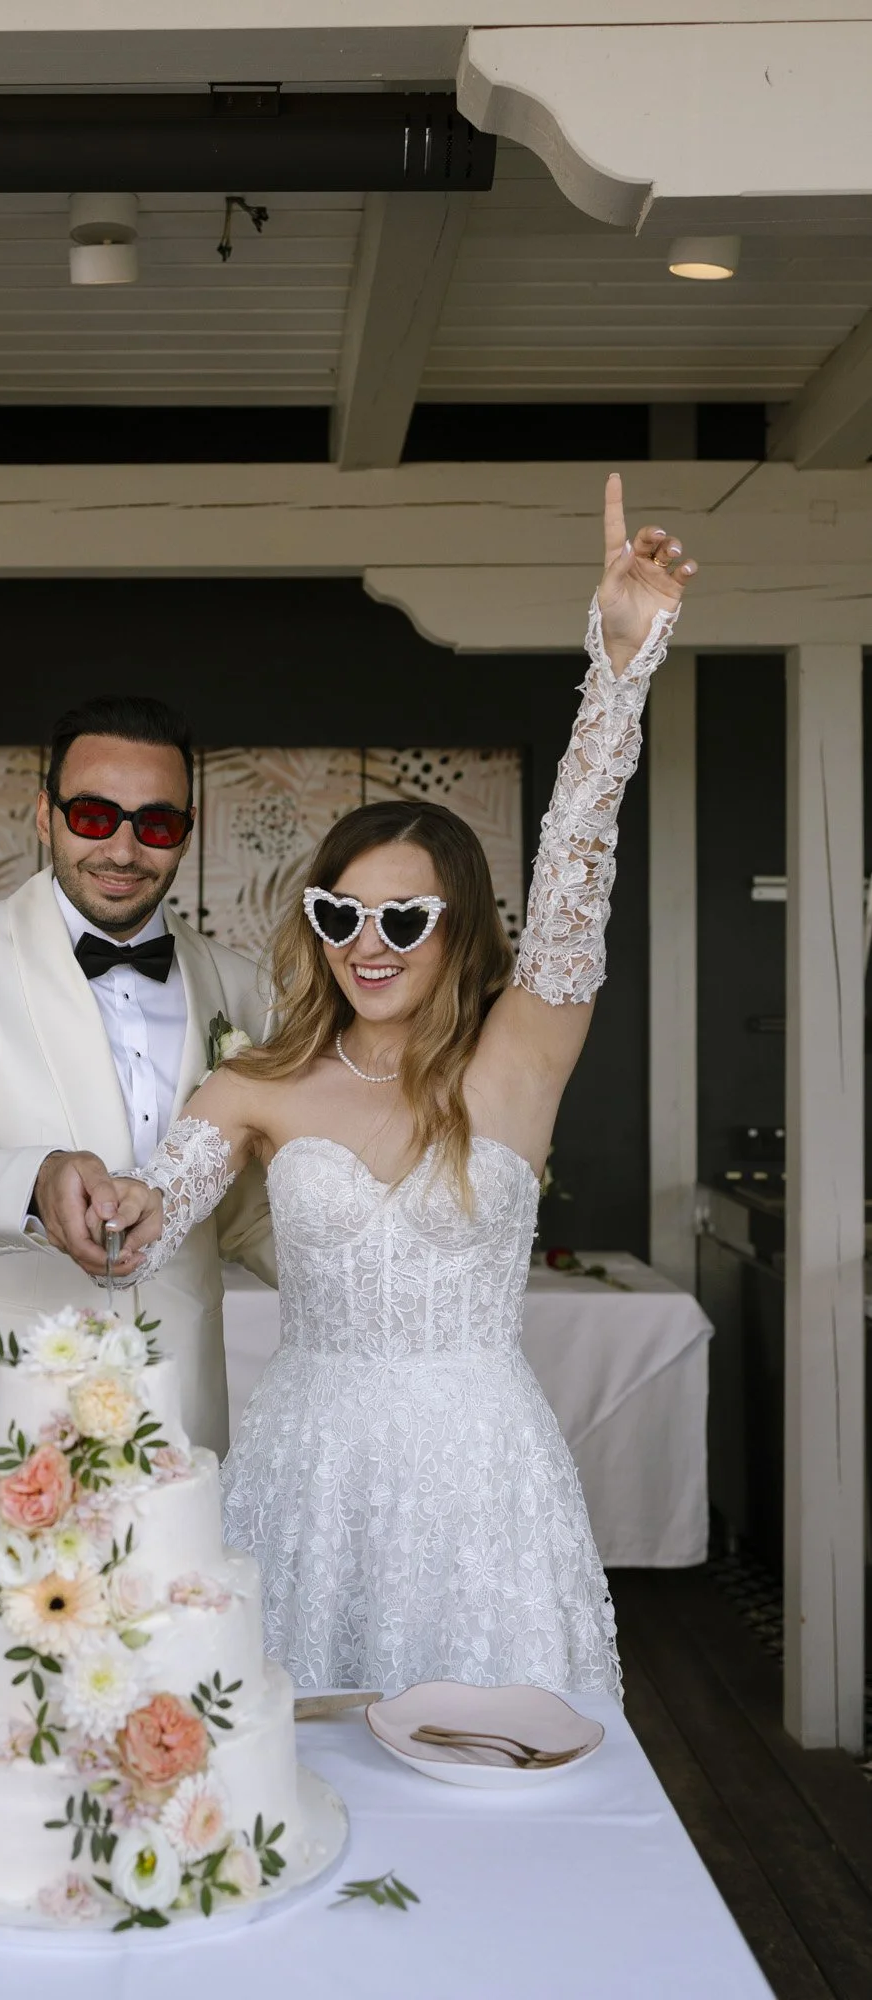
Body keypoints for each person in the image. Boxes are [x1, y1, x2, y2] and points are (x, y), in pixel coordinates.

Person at [78, 475, 696, 1695]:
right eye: (342, 912)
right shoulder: (255, 1084)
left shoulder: (518, 1062)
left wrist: (618, 666)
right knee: (296, 1766)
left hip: (478, 1472)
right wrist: (103, 1212)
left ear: (459, 925)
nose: (371, 941)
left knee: (490, 1758)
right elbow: (141, 1231)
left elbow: (577, 856)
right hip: (306, 1466)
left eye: (406, 915)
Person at [0, 695, 274, 1523]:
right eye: (93, 814)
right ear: (44, 816)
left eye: (155, 824)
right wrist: (36, 1181)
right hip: (6, 1409)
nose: (122, 848)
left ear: (186, 833)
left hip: (177, 1408)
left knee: (179, 1646)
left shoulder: (242, 987)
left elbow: (240, 1216)